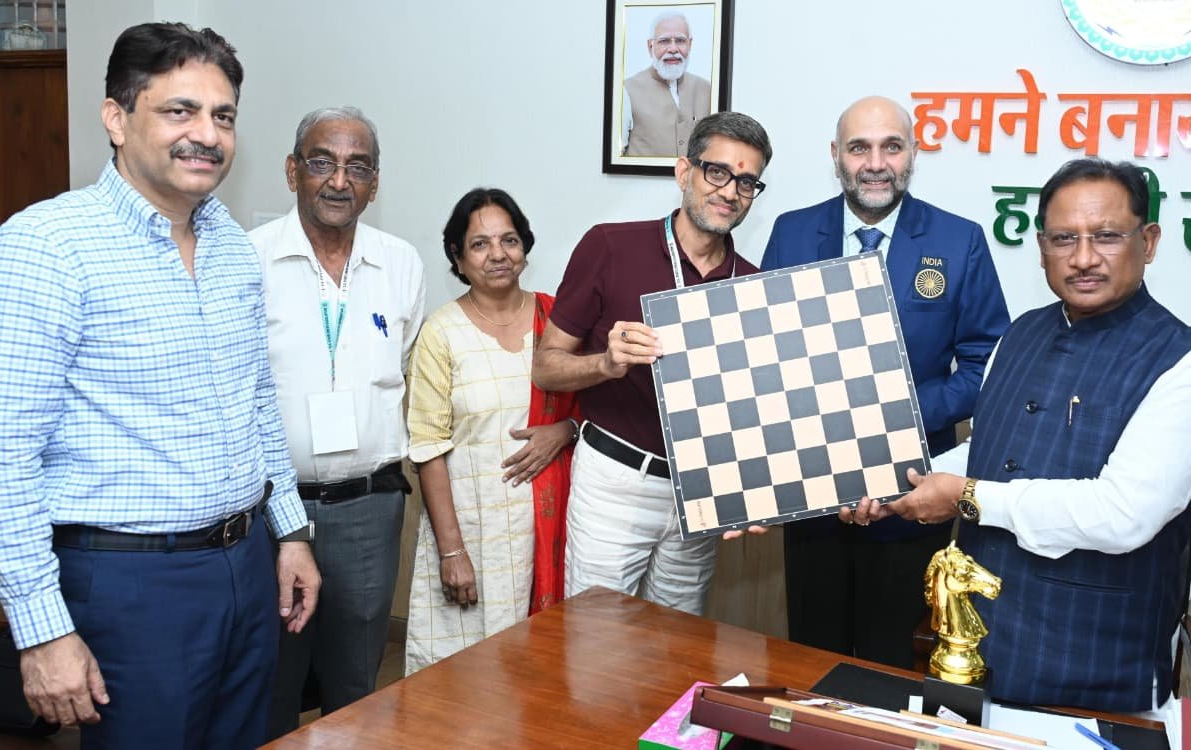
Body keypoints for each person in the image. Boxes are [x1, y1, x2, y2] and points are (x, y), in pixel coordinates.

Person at [0, 22, 320, 749]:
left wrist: (289, 534)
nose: (207, 135)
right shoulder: (43, 249)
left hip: (245, 567)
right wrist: (42, 631)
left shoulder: (232, 248)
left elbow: (257, 402)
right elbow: (0, 461)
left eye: (222, 116)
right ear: (117, 118)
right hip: (128, 584)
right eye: (180, 111)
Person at [848, 158, 1191, 715]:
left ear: (1148, 242)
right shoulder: (1018, 334)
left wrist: (966, 496)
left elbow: (1123, 514)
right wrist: (896, 486)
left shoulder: (1189, 363)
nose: (1083, 258)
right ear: (1042, 247)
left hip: (1096, 673)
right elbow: (988, 452)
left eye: (1106, 237)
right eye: (1063, 239)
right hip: (974, 651)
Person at [761, 95, 1009, 668]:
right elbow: (767, 357)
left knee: (891, 667)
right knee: (810, 663)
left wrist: (895, 415)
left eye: (891, 147)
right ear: (836, 155)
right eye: (859, 148)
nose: (876, 163)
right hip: (812, 495)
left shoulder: (959, 240)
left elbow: (987, 366)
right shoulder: (792, 233)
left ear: (913, 153)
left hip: (911, 494)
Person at [534, 112, 772, 615]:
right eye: (717, 172)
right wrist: (605, 363)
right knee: (594, 637)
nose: (730, 191)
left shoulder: (753, 285)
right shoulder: (610, 246)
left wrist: (753, 489)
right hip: (615, 481)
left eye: (747, 181)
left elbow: (753, 411)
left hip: (700, 494)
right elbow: (546, 366)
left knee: (676, 645)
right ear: (684, 172)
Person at [252, 106, 424, 737]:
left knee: (355, 685)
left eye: (358, 166)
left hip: (367, 508)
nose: (339, 180)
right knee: (272, 677)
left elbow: (399, 367)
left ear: (375, 183)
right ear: (292, 171)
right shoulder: (248, 259)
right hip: (269, 508)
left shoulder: (400, 262)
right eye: (322, 162)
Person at [405, 188, 580, 674]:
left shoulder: (559, 322)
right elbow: (427, 448)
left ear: (525, 247)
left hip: (551, 531)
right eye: (480, 244)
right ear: (458, 258)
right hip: (472, 532)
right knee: (466, 679)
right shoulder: (440, 333)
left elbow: (600, 410)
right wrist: (452, 551)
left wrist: (564, 430)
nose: (498, 254)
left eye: (509, 240)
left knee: (546, 675)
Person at [622, 11, 711, 157]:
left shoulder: (707, 89)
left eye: (680, 41)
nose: (673, 49)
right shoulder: (626, 90)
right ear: (650, 46)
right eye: (664, 41)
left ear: (690, 44)